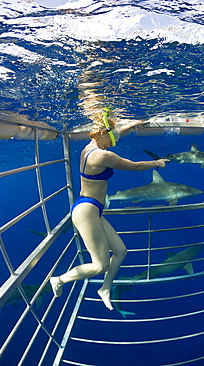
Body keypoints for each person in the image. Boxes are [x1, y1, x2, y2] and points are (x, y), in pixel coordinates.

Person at [50, 109, 169, 311]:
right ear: (103, 133)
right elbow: (136, 166)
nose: (113, 142)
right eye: (111, 138)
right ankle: (59, 279)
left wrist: (132, 126)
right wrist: (157, 163)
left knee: (121, 251)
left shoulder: (90, 145)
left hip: (92, 209)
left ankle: (104, 289)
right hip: (86, 210)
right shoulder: (101, 155)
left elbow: (116, 132)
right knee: (99, 265)